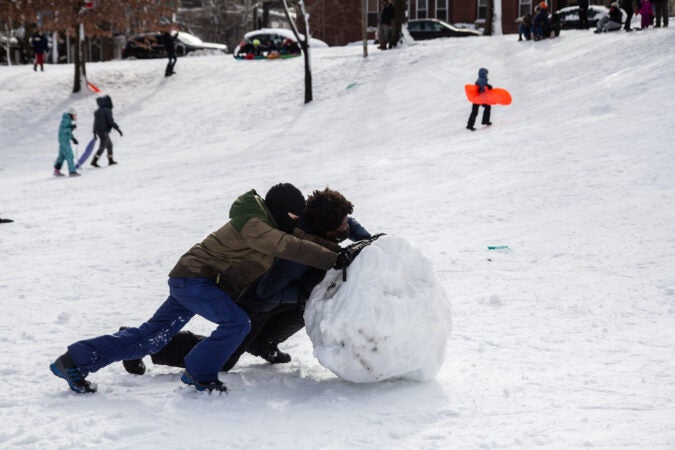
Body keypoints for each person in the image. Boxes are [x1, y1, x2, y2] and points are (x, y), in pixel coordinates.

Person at [50, 184, 357, 394]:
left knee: (150, 336)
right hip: (195, 279)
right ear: (281, 211)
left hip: (195, 280)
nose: (294, 223)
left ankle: (73, 362)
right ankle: (198, 374)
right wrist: (334, 258)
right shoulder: (255, 226)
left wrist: (355, 243)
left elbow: (304, 237)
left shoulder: (268, 224)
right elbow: (289, 245)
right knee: (237, 323)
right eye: (292, 217)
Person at [120, 188, 375, 375]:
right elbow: (266, 293)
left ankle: (264, 342)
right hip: (255, 300)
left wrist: (365, 239)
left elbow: (347, 223)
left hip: (280, 294)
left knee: (305, 304)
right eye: (340, 229)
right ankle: (143, 346)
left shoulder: (317, 216)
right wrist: (306, 294)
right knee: (225, 360)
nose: (345, 230)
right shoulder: (295, 257)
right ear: (324, 230)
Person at [91, 95, 122, 167]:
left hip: (100, 131)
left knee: (110, 145)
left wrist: (94, 132)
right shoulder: (107, 110)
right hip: (103, 131)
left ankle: (110, 160)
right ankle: (94, 161)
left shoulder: (97, 111)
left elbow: (95, 122)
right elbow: (110, 121)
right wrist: (117, 129)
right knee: (103, 146)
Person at [53, 108, 80, 177]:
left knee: (61, 156)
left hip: (64, 141)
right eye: (74, 115)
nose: (75, 117)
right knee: (69, 155)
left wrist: (73, 138)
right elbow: (63, 131)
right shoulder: (66, 121)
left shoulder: (67, 120)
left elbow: (68, 132)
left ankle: (56, 170)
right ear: (71, 115)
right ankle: (72, 171)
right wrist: (71, 128)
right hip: (64, 141)